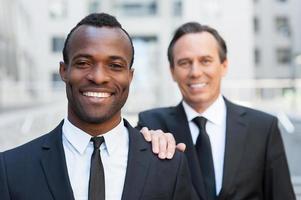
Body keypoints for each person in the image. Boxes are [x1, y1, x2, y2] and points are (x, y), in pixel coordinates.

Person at [0, 13, 194, 200]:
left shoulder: (169, 166)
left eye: (115, 66)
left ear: (130, 76)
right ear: (63, 71)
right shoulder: (11, 169)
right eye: (83, 63)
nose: (99, 77)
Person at [137, 22, 296, 200]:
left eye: (205, 61)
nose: (195, 72)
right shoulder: (151, 126)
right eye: (184, 63)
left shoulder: (263, 128)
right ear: (172, 71)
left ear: (224, 65)